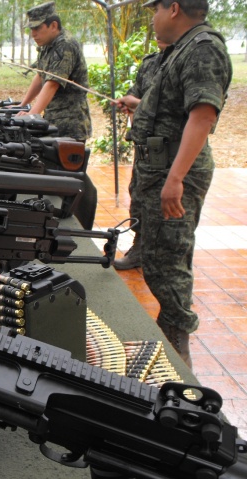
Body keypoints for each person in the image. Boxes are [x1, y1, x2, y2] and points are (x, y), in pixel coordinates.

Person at [118, 0, 232, 369]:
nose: (151, 18)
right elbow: (175, 106)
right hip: (159, 169)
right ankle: (171, 330)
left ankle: (176, 341)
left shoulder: (203, 48)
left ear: (174, 9)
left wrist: (175, 179)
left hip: (173, 172)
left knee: (169, 259)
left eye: (155, 9)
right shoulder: (180, 50)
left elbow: (202, 116)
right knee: (157, 256)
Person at [113, 39, 169, 271]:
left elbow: (173, 107)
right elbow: (135, 94)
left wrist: (137, 103)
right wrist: (130, 105)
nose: (156, 26)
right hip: (145, 145)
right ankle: (140, 248)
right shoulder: (150, 63)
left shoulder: (188, 59)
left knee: (164, 205)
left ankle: (163, 259)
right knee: (138, 194)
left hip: (168, 147)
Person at [15, 1, 91, 142]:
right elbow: (40, 76)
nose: (33, 34)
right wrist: (23, 105)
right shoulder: (47, 45)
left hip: (70, 124)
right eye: (31, 29)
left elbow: (52, 83)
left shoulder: (65, 45)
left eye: (37, 28)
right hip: (53, 119)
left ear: (54, 25)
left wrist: (31, 116)